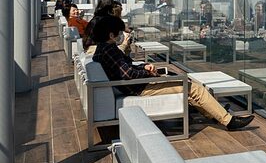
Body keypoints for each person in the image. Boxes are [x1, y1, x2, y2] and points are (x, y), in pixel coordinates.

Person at [91, 16, 253, 131]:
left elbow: (126, 69)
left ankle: (214, 113)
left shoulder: (101, 50)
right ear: (111, 35)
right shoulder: (109, 50)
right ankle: (228, 121)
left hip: (133, 86)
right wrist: (147, 74)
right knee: (192, 88)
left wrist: (144, 68)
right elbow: (127, 75)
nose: (121, 36)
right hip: (139, 88)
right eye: (119, 33)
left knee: (188, 82)